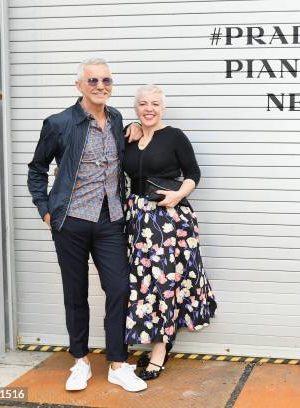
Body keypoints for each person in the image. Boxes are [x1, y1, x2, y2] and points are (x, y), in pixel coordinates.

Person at [27, 58, 147, 392]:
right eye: (92, 81)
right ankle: (80, 361)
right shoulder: (59, 123)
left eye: (106, 80)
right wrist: (45, 209)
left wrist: (136, 126)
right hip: (72, 221)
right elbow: (37, 168)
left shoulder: (118, 118)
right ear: (80, 85)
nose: (100, 86)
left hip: (110, 219)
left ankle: (117, 363)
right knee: (75, 293)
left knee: (119, 288)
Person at [123, 84, 217, 380]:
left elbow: (193, 174)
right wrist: (132, 126)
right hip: (137, 221)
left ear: (163, 107)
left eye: (154, 104)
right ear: (136, 108)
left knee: (164, 283)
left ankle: (159, 350)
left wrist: (176, 197)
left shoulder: (175, 136)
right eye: (143, 104)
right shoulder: (129, 136)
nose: (149, 108)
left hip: (169, 221)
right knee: (143, 284)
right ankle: (154, 337)